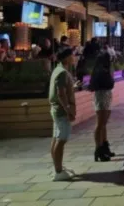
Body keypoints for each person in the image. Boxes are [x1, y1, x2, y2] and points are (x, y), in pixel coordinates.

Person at [49, 47, 77, 181]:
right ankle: (58, 172)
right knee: (61, 139)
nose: (75, 57)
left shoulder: (58, 70)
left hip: (57, 109)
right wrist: (69, 110)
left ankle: (57, 167)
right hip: (61, 111)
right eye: (73, 55)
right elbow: (61, 94)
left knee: (56, 138)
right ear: (67, 58)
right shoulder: (62, 73)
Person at [89, 52, 115, 162]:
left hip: (106, 96)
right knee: (100, 124)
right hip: (101, 97)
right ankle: (98, 148)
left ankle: (104, 145)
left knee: (103, 124)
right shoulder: (101, 72)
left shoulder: (102, 70)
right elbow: (110, 83)